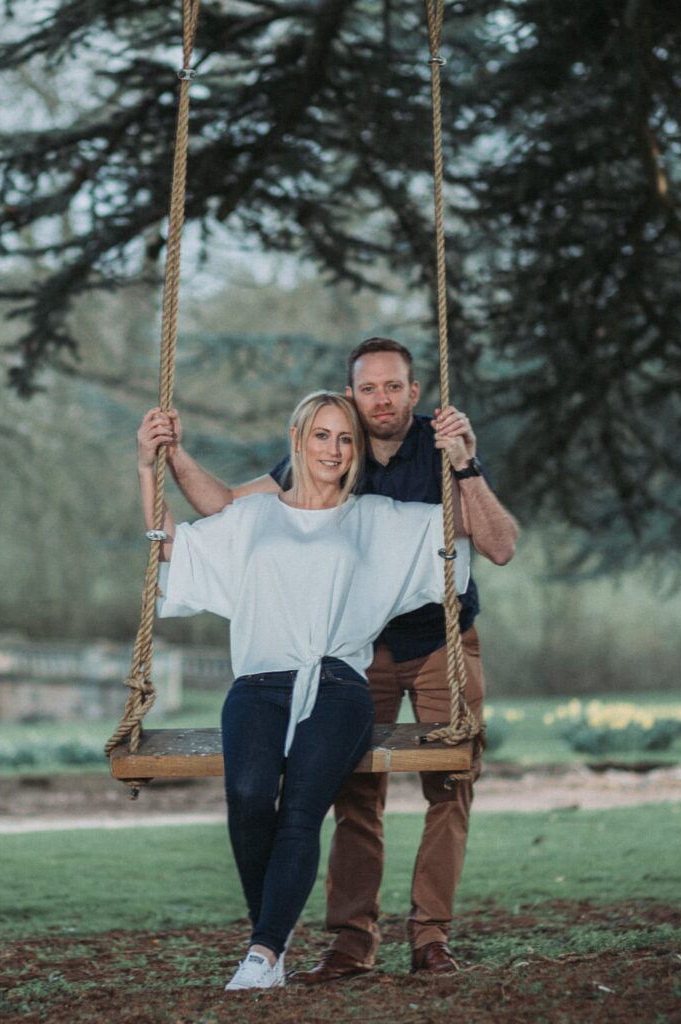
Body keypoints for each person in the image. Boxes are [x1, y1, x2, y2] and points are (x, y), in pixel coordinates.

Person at [154, 337, 520, 980]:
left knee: (452, 780)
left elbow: (498, 545)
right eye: (369, 388)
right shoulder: (327, 445)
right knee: (354, 792)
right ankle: (351, 942)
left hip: (439, 640)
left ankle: (430, 935)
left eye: (394, 386)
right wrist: (169, 456)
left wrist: (466, 466)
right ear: (352, 395)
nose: (382, 399)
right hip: (357, 648)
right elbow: (229, 510)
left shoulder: (441, 445)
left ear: (414, 391)